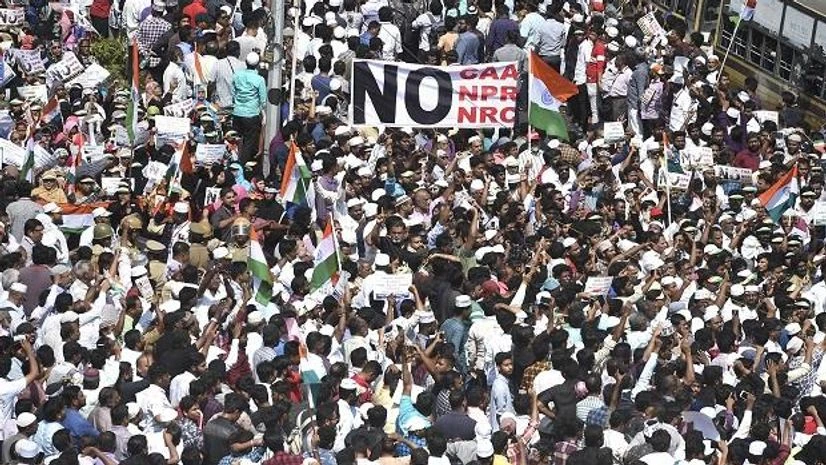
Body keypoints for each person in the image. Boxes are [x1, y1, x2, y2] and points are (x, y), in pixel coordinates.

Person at [232, 52, 267, 163]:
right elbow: (263, 100)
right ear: (257, 65)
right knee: (249, 142)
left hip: (237, 112)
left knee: (237, 139)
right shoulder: (259, 79)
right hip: (251, 114)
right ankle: (241, 165)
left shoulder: (237, 75)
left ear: (246, 63)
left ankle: (234, 159)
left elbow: (233, 92)